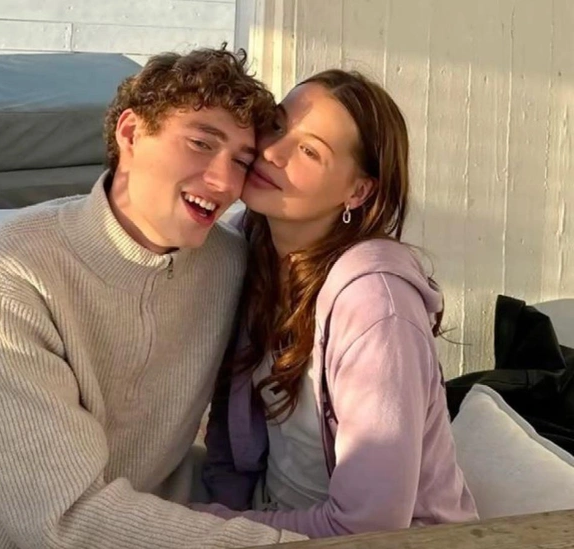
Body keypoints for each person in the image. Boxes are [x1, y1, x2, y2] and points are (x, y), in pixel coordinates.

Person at [0, 47, 307, 548]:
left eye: (241, 161)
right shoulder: (5, 276)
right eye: (200, 143)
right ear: (130, 133)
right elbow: (63, 518)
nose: (223, 181)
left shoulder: (232, 264)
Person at [196, 69, 479, 537]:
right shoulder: (250, 246)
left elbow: (370, 524)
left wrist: (213, 527)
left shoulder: (375, 306)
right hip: (273, 518)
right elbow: (230, 443)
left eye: (310, 151)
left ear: (358, 191)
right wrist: (216, 514)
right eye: (277, 125)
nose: (273, 152)